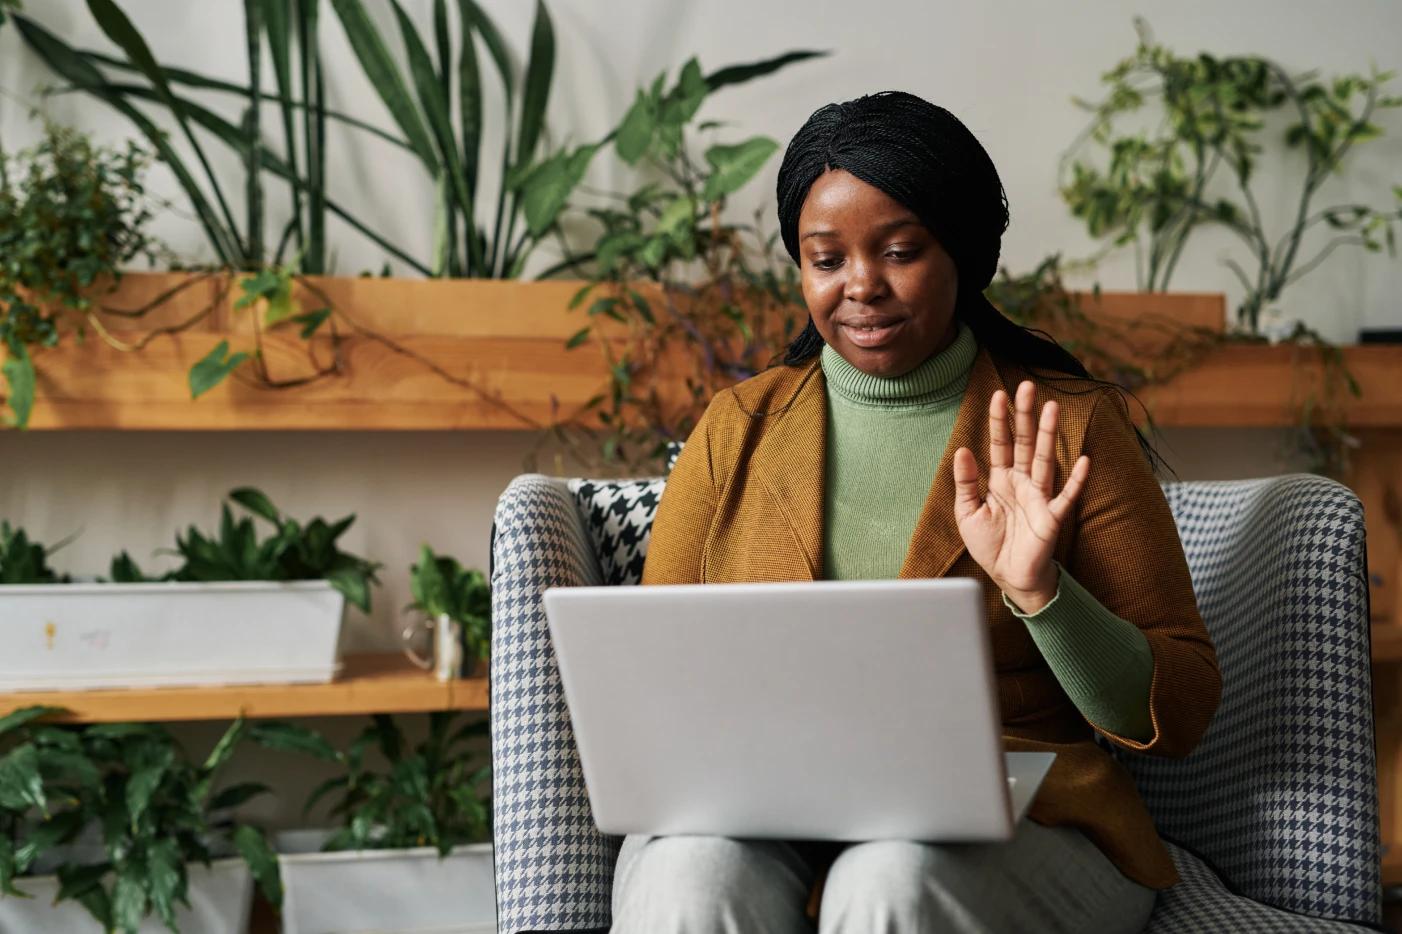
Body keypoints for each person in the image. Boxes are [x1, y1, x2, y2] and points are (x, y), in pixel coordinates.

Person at [614, 91, 1221, 933]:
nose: (861, 286)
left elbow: (1180, 707)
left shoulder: (1068, 422)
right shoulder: (736, 430)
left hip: (1019, 821)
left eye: (900, 251)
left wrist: (1044, 593)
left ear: (963, 254)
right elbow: (651, 688)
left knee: (888, 880)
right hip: (769, 811)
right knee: (687, 871)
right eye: (826, 261)